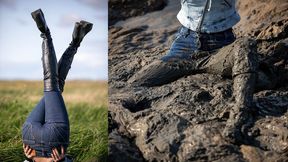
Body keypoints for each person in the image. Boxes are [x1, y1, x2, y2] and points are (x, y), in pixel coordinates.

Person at [128, 0, 259, 143]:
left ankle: (241, 113)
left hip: (221, 47)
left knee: (246, 45)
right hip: (185, 45)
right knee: (135, 85)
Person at [22, 9, 93, 161]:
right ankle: (75, 41)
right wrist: (29, 159)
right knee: (55, 86)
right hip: (29, 139)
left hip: (53, 142)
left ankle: (46, 34)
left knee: (52, 84)